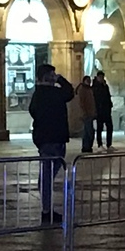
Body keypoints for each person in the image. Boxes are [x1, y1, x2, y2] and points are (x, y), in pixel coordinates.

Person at [28, 64, 74, 223]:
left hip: (44, 139)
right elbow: (69, 92)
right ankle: (47, 212)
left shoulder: (37, 94)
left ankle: (46, 209)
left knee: (46, 174)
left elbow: (32, 111)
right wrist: (60, 79)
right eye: (53, 74)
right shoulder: (55, 93)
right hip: (55, 138)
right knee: (48, 175)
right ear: (49, 76)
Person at [93, 71, 114, 152]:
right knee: (99, 128)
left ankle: (109, 144)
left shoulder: (105, 86)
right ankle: (100, 144)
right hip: (99, 110)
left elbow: (107, 96)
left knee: (110, 127)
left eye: (102, 77)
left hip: (106, 110)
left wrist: (109, 105)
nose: (101, 79)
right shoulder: (95, 87)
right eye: (100, 77)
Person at [75, 75, 96, 153]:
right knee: (88, 131)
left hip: (90, 113)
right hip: (86, 114)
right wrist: (84, 112)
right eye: (88, 80)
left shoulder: (89, 89)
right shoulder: (83, 90)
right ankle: (86, 147)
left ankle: (87, 147)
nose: (89, 82)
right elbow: (82, 103)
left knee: (88, 131)